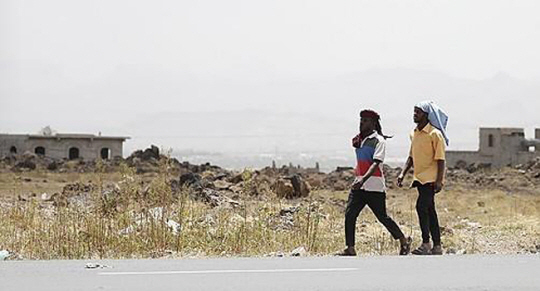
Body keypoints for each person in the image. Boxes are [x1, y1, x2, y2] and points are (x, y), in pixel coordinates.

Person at [338, 109, 411, 256]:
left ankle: (403, 240)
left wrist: (363, 178)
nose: (362, 123)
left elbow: (376, 163)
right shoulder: (360, 139)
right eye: (361, 120)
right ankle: (350, 248)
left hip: (374, 186)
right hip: (359, 185)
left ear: (373, 123)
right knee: (350, 214)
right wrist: (359, 178)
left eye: (365, 121)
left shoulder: (379, 141)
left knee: (382, 217)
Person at [397, 101, 449, 255]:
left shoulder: (435, 134)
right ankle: (437, 246)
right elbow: (411, 156)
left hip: (431, 179)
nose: (415, 115)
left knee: (421, 207)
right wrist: (403, 173)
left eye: (418, 112)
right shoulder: (414, 134)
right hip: (419, 178)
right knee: (430, 211)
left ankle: (426, 243)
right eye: (414, 111)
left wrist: (439, 181)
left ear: (426, 115)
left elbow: (440, 160)